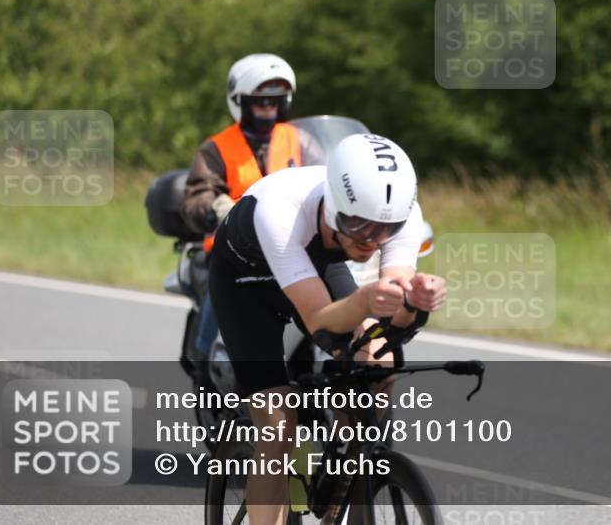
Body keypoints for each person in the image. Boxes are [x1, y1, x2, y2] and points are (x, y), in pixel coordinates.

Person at [208, 133, 446, 525]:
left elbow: (392, 315)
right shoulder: (279, 210)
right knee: (278, 422)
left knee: (378, 361)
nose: (370, 242)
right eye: (357, 225)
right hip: (245, 283)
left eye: (385, 231)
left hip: (316, 265)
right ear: (334, 204)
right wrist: (369, 301)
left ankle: (354, 477)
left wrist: (416, 301)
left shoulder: (397, 214)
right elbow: (321, 320)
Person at [181, 53, 321, 360]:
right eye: (261, 102)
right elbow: (197, 193)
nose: (268, 109)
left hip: (294, 245)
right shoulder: (216, 148)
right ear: (240, 102)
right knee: (219, 296)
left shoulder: (302, 141)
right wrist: (218, 207)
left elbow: (328, 181)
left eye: (275, 101)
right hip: (232, 249)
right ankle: (206, 364)